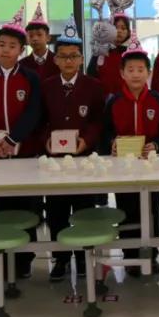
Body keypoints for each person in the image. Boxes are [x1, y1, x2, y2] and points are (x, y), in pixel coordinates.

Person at [0, 5, 43, 279]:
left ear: (21, 51)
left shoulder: (30, 78)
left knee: (26, 205)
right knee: (0, 204)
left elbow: (33, 113)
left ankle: (25, 259)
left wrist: (13, 139)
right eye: (1, 44)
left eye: (12, 46)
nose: (5, 50)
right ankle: (3, 255)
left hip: (25, 153)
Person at [100, 32, 159, 276]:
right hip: (122, 168)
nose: (135, 74)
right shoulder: (114, 102)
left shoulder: (158, 100)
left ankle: (151, 255)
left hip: (152, 167)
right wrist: (111, 143)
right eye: (130, 69)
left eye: (140, 69)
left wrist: (157, 145)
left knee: (151, 210)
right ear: (122, 73)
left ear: (148, 73)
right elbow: (105, 132)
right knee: (127, 209)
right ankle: (130, 255)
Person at [39, 16, 107, 281]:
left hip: (84, 159)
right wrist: (47, 140)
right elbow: (41, 120)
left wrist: (86, 141)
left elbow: (98, 120)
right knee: (56, 211)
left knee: (84, 209)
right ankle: (61, 257)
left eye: (74, 56)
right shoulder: (46, 87)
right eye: (63, 56)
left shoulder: (94, 86)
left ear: (81, 59)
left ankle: (83, 255)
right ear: (55, 60)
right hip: (54, 161)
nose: (68, 61)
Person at [87, 9, 130, 97]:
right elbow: (90, 75)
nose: (119, 31)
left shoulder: (132, 53)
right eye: (115, 27)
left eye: (123, 28)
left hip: (126, 99)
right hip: (102, 100)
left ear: (128, 32)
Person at [21, 3, 59, 82]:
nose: (35, 39)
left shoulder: (58, 61)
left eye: (39, 35)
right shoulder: (22, 64)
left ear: (48, 38)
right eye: (31, 36)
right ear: (27, 39)